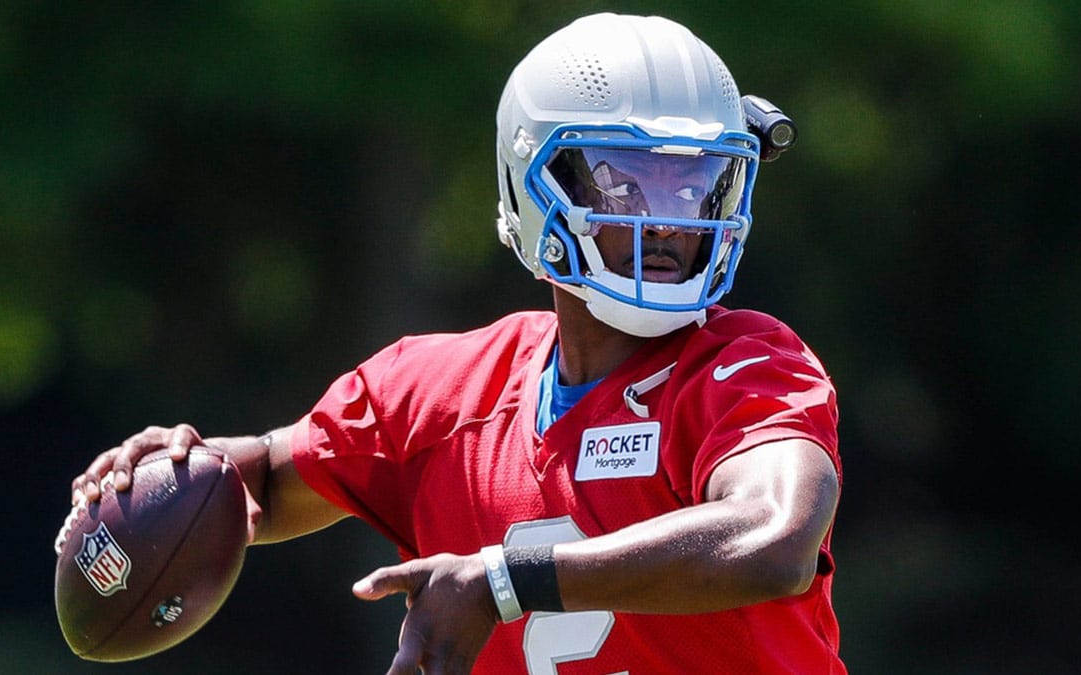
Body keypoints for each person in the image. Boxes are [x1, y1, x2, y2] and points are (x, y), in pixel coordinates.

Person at [70, 13, 845, 674]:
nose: (670, 217)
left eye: (694, 180)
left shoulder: (744, 364)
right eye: (626, 181)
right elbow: (264, 486)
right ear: (531, 183)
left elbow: (774, 538)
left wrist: (505, 581)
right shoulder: (439, 390)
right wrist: (180, 469)